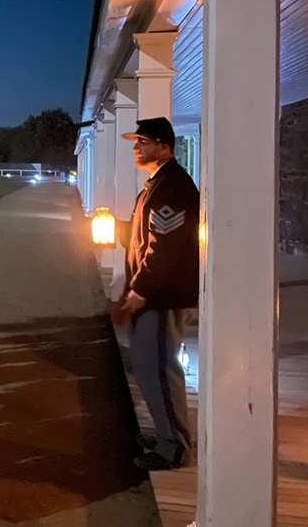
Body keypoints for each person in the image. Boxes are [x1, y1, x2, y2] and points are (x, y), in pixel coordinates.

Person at [118, 117, 199, 471]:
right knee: (151, 370)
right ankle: (166, 434)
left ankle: (174, 448)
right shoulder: (157, 185)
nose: (137, 147)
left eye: (143, 142)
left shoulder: (171, 188)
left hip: (162, 297)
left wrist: (140, 290)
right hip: (156, 295)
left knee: (160, 371)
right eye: (137, 141)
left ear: (164, 147)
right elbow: (145, 236)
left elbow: (162, 249)